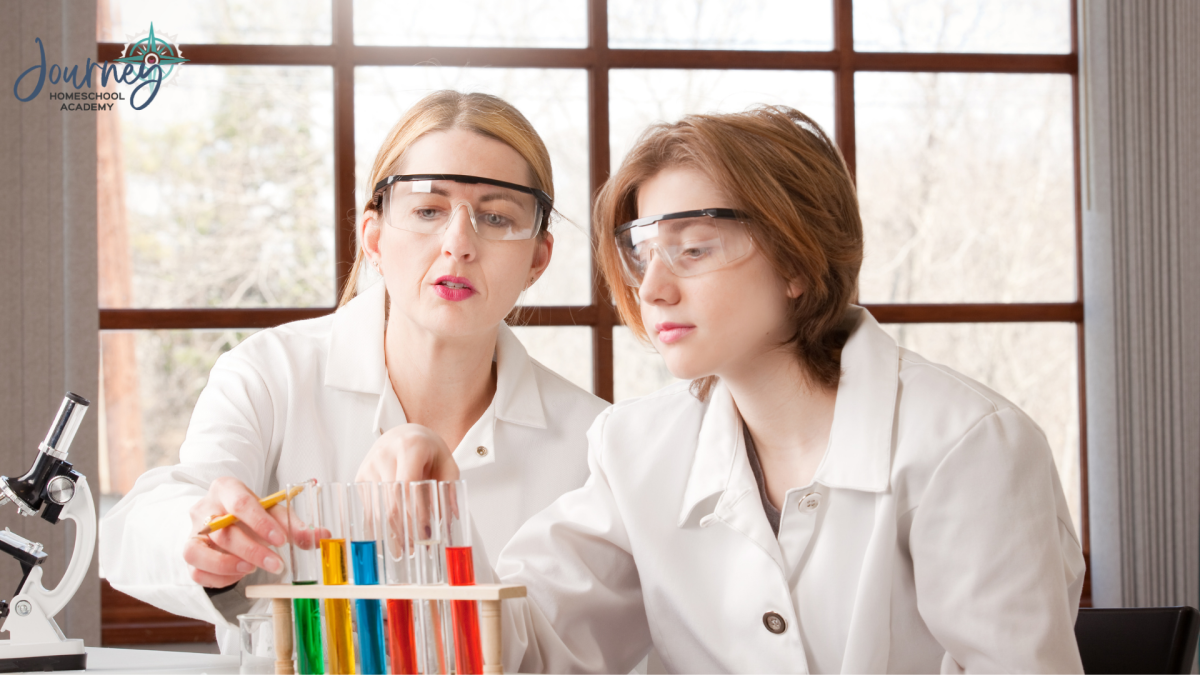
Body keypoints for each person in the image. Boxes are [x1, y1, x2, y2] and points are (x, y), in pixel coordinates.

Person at [400, 105, 1086, 673]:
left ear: (797, 259)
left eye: (693, 248)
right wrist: (436, 524)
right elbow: (529, 650)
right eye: (641, 252)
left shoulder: (968, 447)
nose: (653, 288)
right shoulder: (637, 448)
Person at [98, 91, 608, 654]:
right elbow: (131, 531)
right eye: (427, 210)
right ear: (374, 238)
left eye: (495, 217)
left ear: (538, 258)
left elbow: (562, 655)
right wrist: (203, 537)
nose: (458, 244)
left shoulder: (595, 445)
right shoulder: (270, 374)